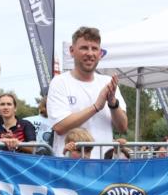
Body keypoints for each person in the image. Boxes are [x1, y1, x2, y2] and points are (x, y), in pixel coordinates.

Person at [47, 27, 128, 158]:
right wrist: (96, 107)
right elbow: (59, 126)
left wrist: (113, 104)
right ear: (72, 51)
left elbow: (123, 127)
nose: (90, 53)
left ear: (100, 54)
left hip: (102, 164)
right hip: (70, 166)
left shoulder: (108, 82)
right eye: (84, 48)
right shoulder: (59, 82)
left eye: (94, 48)